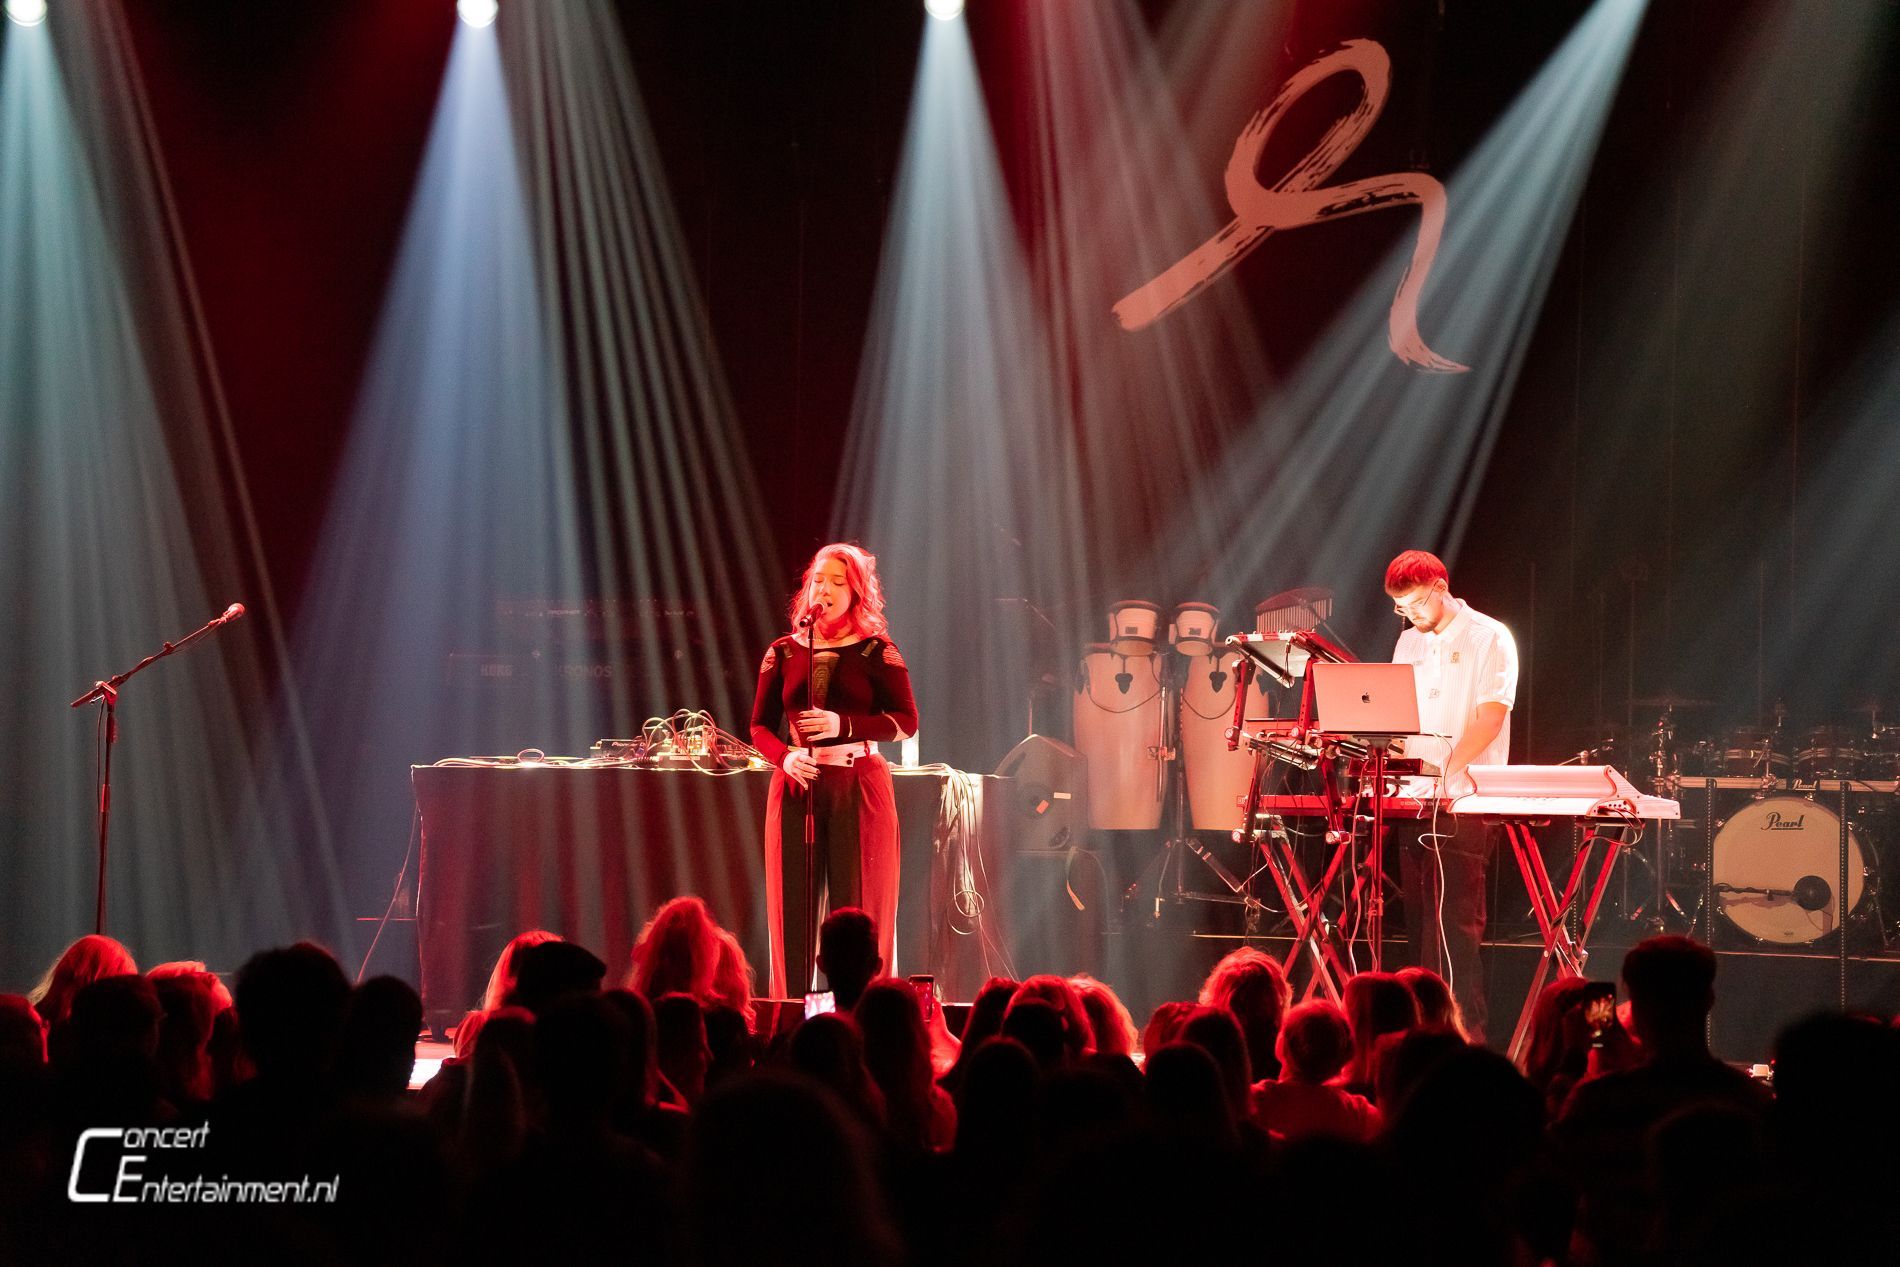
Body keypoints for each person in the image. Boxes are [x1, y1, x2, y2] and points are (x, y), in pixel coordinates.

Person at [751, 542, 918, 997]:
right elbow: (759, 726)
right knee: (792, 908)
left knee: (858, 907)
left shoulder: (877, 651)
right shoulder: (783, 651)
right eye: (818, 581)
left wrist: (842, 724)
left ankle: (863, 1012)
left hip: (857, 782)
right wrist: (785, 757)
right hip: (796, 782)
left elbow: (907, 722)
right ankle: (791, 1013)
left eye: (837, 583)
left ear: (856, 593)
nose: (824, 590)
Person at [1385, 549, 1518, 1040]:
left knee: (1456, 930)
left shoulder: (1489, 636)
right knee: (1421, 924)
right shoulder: (1408, 641)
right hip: (1413, 799)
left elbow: (1490, 718)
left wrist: (1447, 771)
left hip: (1465, 800)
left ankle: (1468, 1040)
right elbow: (1399, 716)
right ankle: (1423, 1034)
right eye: (1400, 607)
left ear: (1441, 588)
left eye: (1416, 603)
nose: (1410, 615)